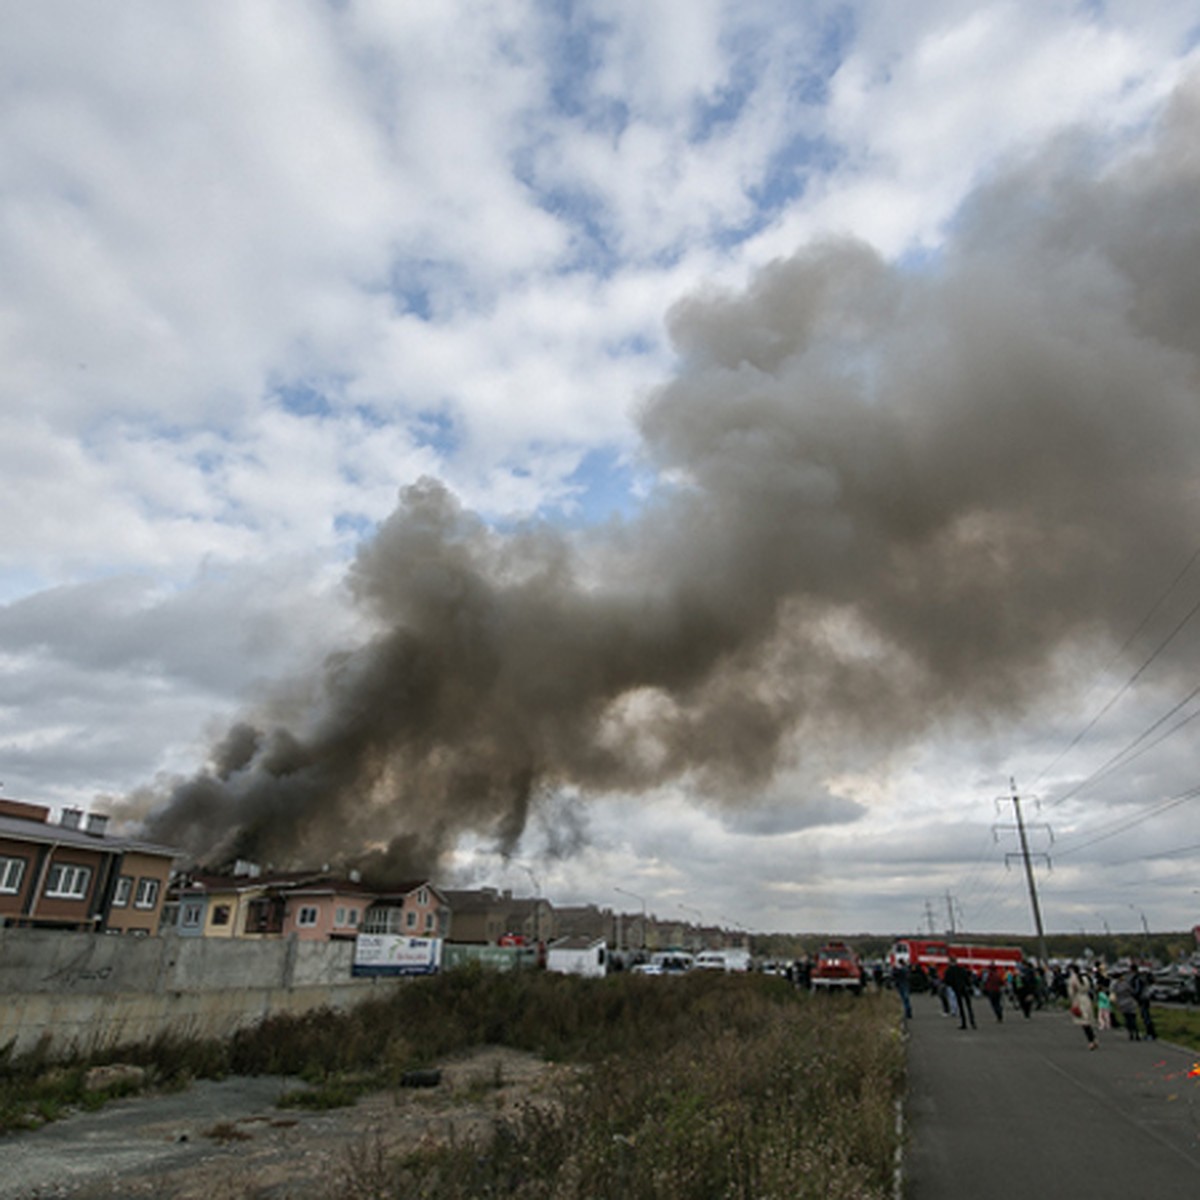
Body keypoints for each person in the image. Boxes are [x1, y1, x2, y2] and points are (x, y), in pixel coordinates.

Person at [1067, 965, 1098, 1050]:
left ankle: (1091, 1040)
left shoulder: (1073, 979)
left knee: (1084, 1022)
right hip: (1086, 999)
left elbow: (1071, 992)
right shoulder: (1085, 978)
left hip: (1078, 1000)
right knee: (1088, 1020)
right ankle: (1093, 1039)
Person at [942, 957, 977, 1030]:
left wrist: (952, 985)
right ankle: (972, 1022)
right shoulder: (961, 969)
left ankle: (964, 1023)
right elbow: (967, 977)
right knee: (969, 1006)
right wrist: (968, 985)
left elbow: (947, 981)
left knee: (961, 1007)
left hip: (957, 989)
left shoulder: (949, 971)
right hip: (965, 988)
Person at [1129, 966, 1157, 1040]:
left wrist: (1132, 994)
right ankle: (1151, 1033)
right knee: (1146, 1016)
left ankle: (1150, 1034)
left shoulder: (1137, 979)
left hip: (1142, 998)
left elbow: (1137, 990)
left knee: (1145, 1016)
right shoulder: (1142, 979)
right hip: (1146, 997)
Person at [1112, 971, 1140, 1040]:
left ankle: (1131, 1034)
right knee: (1133, 1019)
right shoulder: (1126, 984)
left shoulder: (1116, 985)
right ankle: (1136, 1033)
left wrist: (1116, 1003)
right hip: (1130, 1002)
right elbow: (1132, 991)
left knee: (1127, 1019)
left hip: (1122, 1003)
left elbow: (1115, 994)